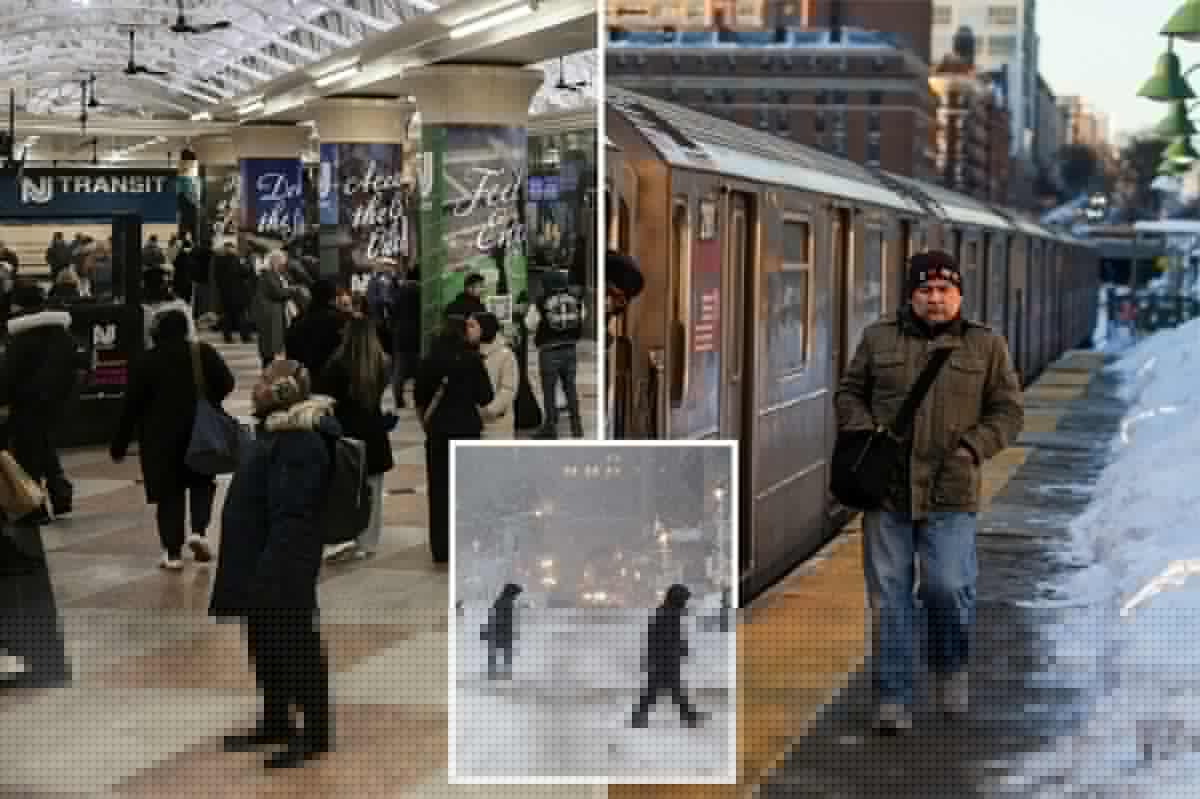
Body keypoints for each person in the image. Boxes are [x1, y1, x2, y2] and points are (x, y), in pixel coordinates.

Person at [834, 249, 1023, 734]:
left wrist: (972, 448)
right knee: (889, 598)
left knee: (946, 588)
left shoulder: (986, 346)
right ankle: (893, 699)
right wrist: (863, 431)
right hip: (887, 492)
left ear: (959, 294)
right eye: (925, 290)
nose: (935, 299)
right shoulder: (878, 338)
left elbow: (1007, 411)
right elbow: (849, 392)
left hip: (951, 492)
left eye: (944, 290)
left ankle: (950, 667)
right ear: (911, 295)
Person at [209, 359, 336, 769]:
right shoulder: (275, 431)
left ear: (285, 390)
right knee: (266, 645)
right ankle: (277, 719)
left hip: (281, 563)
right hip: (259, 560)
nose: (255, 387)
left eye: (264, 382)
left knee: (297, 647)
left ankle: (314, 734)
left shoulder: (299, 439)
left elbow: (294, 515)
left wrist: (274, 566)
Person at [110, 310, 234, 570]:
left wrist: (119, 444)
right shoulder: (202, 353)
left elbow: (130, 406)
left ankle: (173, 552)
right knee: (201, 481)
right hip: (199, 431)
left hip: (160, 437)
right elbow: (227, 382)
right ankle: (198, 532)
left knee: (169, 493)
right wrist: (209, 400)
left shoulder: (146, 361)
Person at [414, 316, 494, 565]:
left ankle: (441, 548)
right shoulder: (472, 360)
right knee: (467, 490)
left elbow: (419, 397)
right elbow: (485, 396)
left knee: (439, 490)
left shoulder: (429, 361)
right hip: (467, 430)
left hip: (438, 433)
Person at [317, 317, 394, 562]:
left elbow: (325, 399)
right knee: (373, 488)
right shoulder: (382, 363)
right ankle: (368, 541)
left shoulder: (336, 365)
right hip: (373, 432)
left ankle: (344, 535)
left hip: (345, 433)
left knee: (346, 488)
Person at [0, 282, 77, 522]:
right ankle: (60, 494)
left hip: (26, 404)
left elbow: (8, 376)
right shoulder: (61, 333)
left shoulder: (21, 337)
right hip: (56, 403)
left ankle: (35, 508)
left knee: (27, 453)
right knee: (43, 445)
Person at [631, 583, 706, 728]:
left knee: (664, 690)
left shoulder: (669, 612)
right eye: (683, 600)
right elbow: (659, 638)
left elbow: (670, 636)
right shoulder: (667, 614)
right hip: (664, 659)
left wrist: (680, 647)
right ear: (676, 599)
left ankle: (688, 716)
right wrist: (675, 649)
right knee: (662, 691)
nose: (685, 603)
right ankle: (689, 717)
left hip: (666, 658)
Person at [528, 269, 586, 439]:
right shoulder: (576, 299)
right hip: (570, 349)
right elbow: (582, 317)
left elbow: (530, 324)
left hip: (549, 351)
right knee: (570, 387)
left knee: (549, 390)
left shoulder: (540, 302)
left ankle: (551, 427)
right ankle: (577, 426)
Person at [286, 278, 348, 380]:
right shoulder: (340, 321)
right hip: (334, 383)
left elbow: (291, 359)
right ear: (333, 298)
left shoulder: (297, 322)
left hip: (304, 382)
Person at [253, 250, 299, 368]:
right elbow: (278, 293)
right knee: (269, 345)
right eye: (281, 263)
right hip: (269, 314)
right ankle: (268, 371)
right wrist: (293, 290)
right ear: (274, 262)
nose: (282, 265)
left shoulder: (273, 274)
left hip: (272, 313)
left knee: (271, 344)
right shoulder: (269, 275)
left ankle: (270, 368)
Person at [476, 312, 517, 439]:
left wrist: (489, 410)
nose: (467, 330)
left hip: (498, 426)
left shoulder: (506, 355)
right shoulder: (471, 353)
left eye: (472, 326)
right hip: (475, 424)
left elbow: (508, 390)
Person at [388, 266, 421, 409]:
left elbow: (393, 312)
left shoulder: (399, 292)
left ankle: (398, 398)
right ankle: (420, 398)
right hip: (418, 333)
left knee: (400, 369)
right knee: (420, 368)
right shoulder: (421, 291)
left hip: (401, 334)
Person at [141, 267, 194, 349]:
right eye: (161, 283)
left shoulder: (180, 305)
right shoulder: (142, 309)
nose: (168, 288)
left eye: (169, 284)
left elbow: (190, 335)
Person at [213, 241, 253, 344]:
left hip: (224, 293)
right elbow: (244, 273)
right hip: (237, 293)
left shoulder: (218, 260)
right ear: (230, 249)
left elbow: (216, 277)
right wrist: (247, 265)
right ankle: (245, 337)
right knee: (241, 316)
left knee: (227, 316)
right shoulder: (235, 260)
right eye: (233, 248)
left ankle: (227, 337)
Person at [482, 583, 522, 680]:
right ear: (512, 593)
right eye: (516, 594)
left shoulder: (500, 601)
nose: (517, 597)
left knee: (495, 654)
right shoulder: (507, 602)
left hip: (498, 631)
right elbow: (506, 618)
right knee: (505, 654)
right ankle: (504, 674)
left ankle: (493, 673)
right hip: (502, 632)